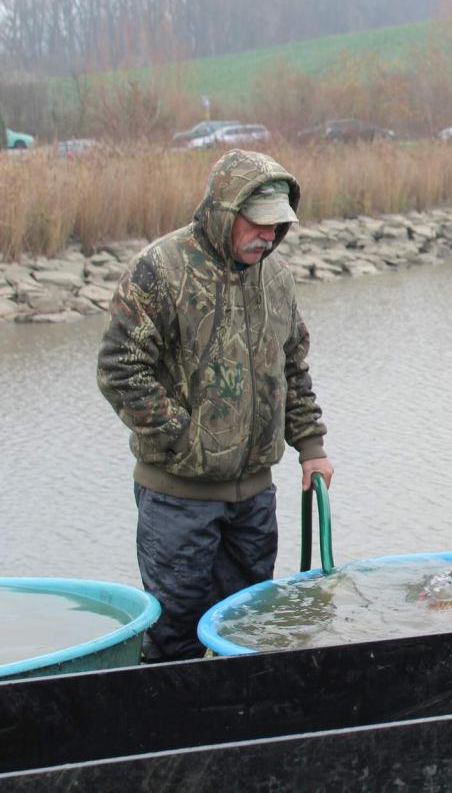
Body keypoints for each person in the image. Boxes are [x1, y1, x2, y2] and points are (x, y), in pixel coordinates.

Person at [97, 149, 334, 662]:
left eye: (278, 225)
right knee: (174, 636)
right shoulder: (160, 269)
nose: (268, 235)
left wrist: (311, 447)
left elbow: (293, 366)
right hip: (177, 501)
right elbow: (120, 369)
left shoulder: (277, 277)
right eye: (258, 222)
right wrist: (185, 440)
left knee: (249, 630)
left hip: (253, 500)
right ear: (226, 211)